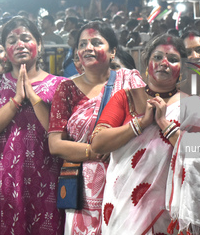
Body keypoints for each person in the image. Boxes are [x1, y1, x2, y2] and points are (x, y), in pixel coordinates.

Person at [90, 34, 200, 234]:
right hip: (122, 204)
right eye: (157, 57)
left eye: (173, 59)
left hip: (167, 210)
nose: (164, 63)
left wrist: (166, 126)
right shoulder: (126, 97)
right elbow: (97, 144)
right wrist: (140, 124)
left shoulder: (193, 106)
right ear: (147, 62)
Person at [48, 20, 145, 235]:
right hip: (83, 187)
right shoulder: (66, 88)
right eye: (82, 44)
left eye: (96, 42)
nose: (87, 48)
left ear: (113, 52)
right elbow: (55, 145)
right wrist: (96, 150)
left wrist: (115, 147)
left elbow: (146, 124)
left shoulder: (129, 80)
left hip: (125, 176)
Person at [0, 16, 66, 234]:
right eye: (12, 40)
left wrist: (32, 97)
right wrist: (15, 100)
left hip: (47, 183)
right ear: (5, 49)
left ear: (39, 44)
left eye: (26, 38)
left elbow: (62, 134)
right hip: (1, 185)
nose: (19, 44)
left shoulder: (60, 85)